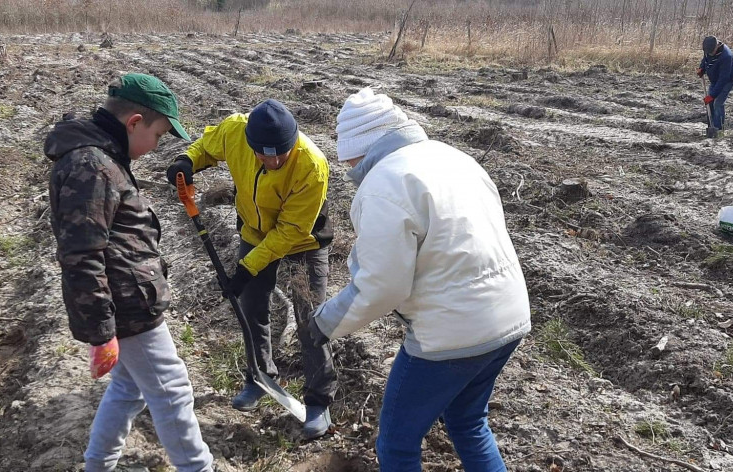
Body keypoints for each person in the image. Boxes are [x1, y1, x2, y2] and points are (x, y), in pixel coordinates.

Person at [309, 88, 531, 471]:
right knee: (468, 421)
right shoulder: (454, 158)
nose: (348, 168)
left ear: (362, 148)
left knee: (397, 442)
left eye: (349, 160)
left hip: (452, 333)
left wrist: (325, 323)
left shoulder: (384, 184)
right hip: (509, 319)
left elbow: (381, 285)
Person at [44, 73, 213, 472]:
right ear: (134, 122)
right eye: (158, 135)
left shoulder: (102, 156)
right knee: (171, 390)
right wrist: (101, 332)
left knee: (129, 387)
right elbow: (82, 254)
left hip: (129, 296)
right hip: (128, 305)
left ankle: (98, 465)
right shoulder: (94, 167)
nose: (156, 147)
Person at [166, 99, 337, 439]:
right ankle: (259, 377)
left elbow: (289, 232)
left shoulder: (312, 165)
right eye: (263, 155)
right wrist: (188, 160)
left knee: (311, 318)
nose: (272, 161)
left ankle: (319, 400)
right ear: (250, 143)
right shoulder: (235, 131)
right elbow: (207, 146)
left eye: (280, 156)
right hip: (253, 231)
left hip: (303, 241)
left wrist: (246, 268)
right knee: (253, 307)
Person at [697, 35, 733, 133]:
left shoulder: (726, 56)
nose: (710, 53)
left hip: (727, 80)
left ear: (716, 46)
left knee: (718, 103)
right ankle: (710, 126)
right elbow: (706, 59)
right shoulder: (708, 48)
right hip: (715, 79)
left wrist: (713, 95)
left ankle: (718, 129)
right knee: (709, 103)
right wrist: (702, 68)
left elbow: (723, 79)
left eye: (712, 52)